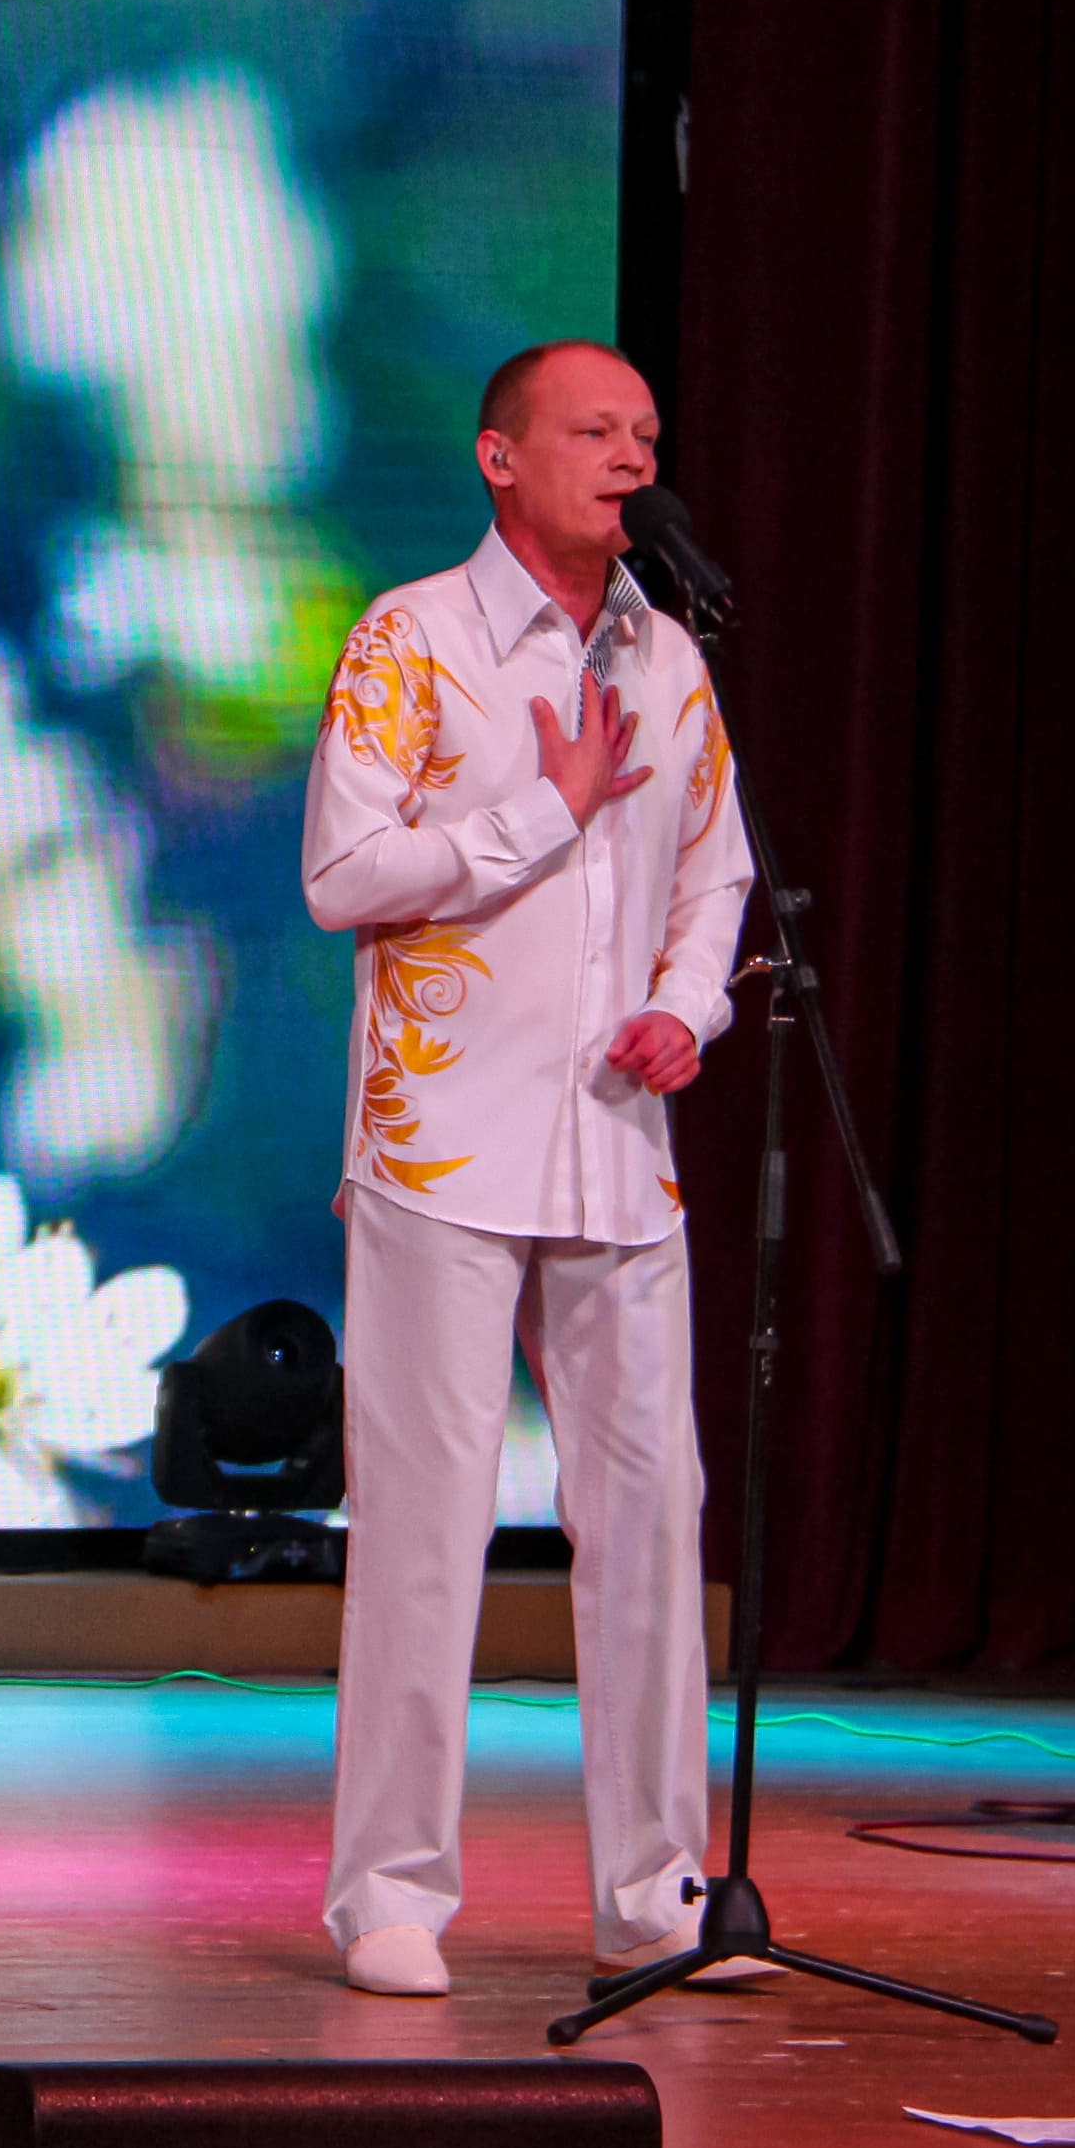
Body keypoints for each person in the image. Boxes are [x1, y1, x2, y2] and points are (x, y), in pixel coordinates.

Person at [296, 340, 751, 1997]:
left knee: (651, 1514)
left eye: (646, 432)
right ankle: (388, 1892)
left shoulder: (669, 657)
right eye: (593, 431)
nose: (630, 458)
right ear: (501, 458)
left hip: (616, 1150)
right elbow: (341, 875)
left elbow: (714, 871)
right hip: (442, 1143)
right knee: (426, 1523)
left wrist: (687, 1005)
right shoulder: (410, 637)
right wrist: (538, 818)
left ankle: (657, 1891)